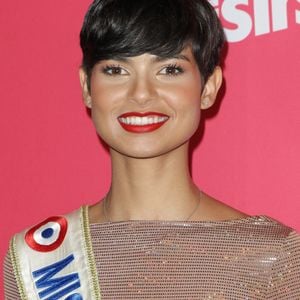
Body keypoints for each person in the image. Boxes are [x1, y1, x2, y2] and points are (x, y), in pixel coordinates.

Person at [4, 0, 300, 299]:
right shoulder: (37, 259)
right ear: (86, 87)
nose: (141, 94)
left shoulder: (271, 257)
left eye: (169, 69)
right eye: (116, 69)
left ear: (208, 87)